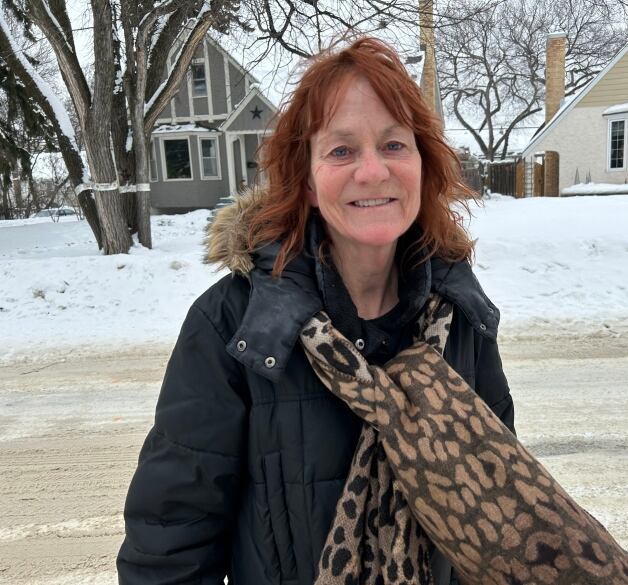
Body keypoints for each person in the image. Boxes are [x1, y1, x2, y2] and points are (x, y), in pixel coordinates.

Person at [117, 37, 515, 585]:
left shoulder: (461, 320)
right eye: (341, 150)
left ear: (423, 165)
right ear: (305, 179)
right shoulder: (237, 326)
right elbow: (171, 543)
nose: (373, 172)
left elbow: (500, 522)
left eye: (394, 145)